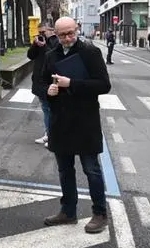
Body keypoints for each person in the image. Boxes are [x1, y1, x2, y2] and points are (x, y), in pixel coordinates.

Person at [41, 17, 112, 234]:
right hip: (61, 120)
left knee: (91, 169)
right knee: (64, 169)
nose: (67, 38)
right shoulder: (51, 55)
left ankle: (100, 213)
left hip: (84, 119)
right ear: (55, 34)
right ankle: (68, 211)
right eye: (62, 35)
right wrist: (48, 91)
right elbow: (42, 81)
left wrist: (71, 83)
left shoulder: (90, 52)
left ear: (77, 29)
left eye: (71, 33)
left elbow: (103, 85)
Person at [28, 25, 57, 147]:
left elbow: (52, 57)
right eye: (39, 32)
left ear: (51, 30)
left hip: (49, 82)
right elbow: (30, 55)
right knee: (46, 109)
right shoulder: (39, 42)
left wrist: (44, 46)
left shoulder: (56, 42)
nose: (42, 34)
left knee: (50, 110)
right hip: (39, 81)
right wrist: (35, 45)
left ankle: (52, 136)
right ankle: (48, 134)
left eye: (44, 32)